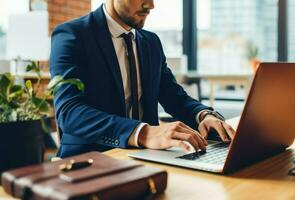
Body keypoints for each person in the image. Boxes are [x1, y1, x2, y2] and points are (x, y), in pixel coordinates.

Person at [50, 0, 236, 158]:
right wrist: (143, 132)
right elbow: (69, 111)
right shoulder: (72, 35)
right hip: (91, 158)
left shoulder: (151, 42)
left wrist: (203, 115)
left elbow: (173, 96)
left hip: (148, 157)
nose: (151, 5)